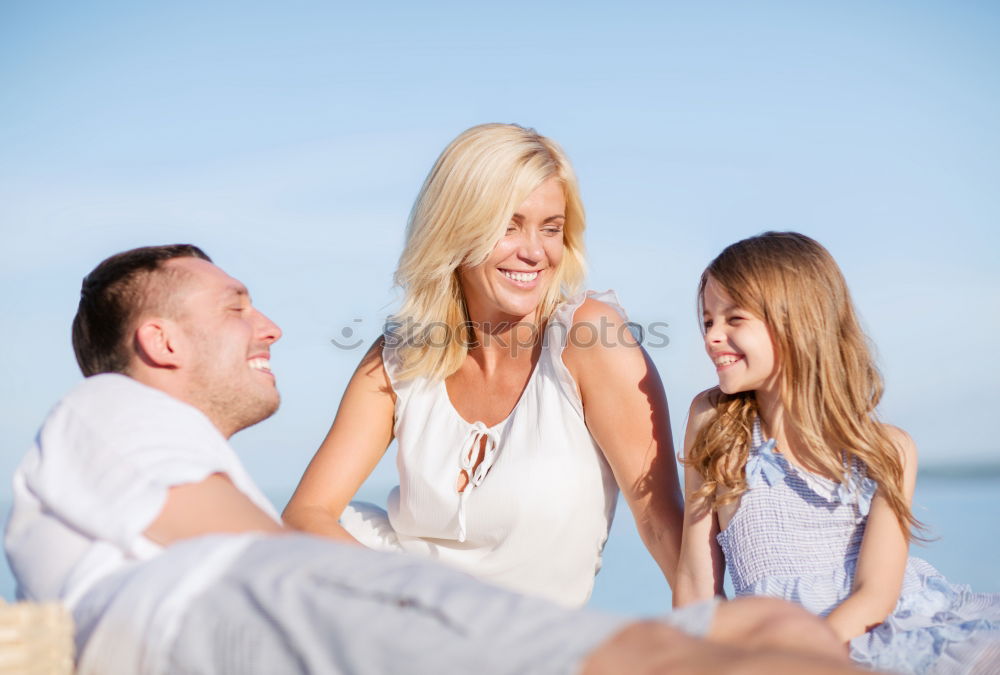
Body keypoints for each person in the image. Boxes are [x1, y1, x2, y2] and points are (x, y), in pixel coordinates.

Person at [5, 244, 859, 675]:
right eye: (236, 307)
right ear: (158, 340)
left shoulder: (157, 458)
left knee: (773, 626)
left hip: (308, 596)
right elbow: (248, 553)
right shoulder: (103, 408)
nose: (269, 325)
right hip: (273, 608)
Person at [283, 123, 683, 608]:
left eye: (550, 228)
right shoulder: (402, 354)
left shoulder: (591, 340)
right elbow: (306, 514)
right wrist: (408, 612)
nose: (534, 252)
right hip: (394, 621)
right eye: (508, 226)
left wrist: (720, 639)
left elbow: (662, 525)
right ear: (456, 229)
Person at [674, 231, 1000, 674]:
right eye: (708, 320)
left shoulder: (888, 450)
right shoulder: (714, 423)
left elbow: (876, 593)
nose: (713, 336)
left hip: (868, 636)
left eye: (734, 319)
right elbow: (696, 582)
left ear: (796, 321)